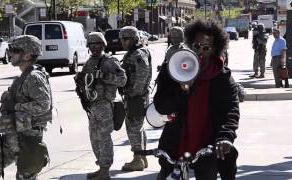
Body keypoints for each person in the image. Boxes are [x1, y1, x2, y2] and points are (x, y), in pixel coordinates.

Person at [153, 20, 240, 180]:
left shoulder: (222, 77)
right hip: (175, 144)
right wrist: (181, 91)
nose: (200, 51)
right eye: (196, 46)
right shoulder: (172, 70)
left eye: (206, 48)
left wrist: (225, 137)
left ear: (214, 50)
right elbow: (161, 106)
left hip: (209, 146)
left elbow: (231, 111)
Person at [0, 35, 52, 180]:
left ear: (28, 55)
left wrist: (16, 106)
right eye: (10, 49)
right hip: (13, 137)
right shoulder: (25, 76)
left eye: (15, 50)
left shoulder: (34, 77)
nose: (10, 53)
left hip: (27, 139)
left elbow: (43, 105)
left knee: (25, 176)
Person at [74, 32, 127, 180]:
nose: (94, 47)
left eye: (97, 44)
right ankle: (101, 166)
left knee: (103, 137)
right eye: (91, 45)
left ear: (103, 45)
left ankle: (105, 170)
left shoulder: (109, 61)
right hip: (93, 105)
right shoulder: (90, 61)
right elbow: (87, 81)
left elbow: (122, 80)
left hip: (104, 104)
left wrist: (104, 76)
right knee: (94, 137)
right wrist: (80, 79)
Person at [118, 26, 152, 171]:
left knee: (134, 128)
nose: (123, 42)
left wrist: (133, 93)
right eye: (122, 39)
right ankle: (141, 157)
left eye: (126, 39)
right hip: (136, 96)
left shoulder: (137, 54)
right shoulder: (134, 53)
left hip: (136, 97)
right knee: (137, 127)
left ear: (135, 39)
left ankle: (137, 159)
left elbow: (142, 75)